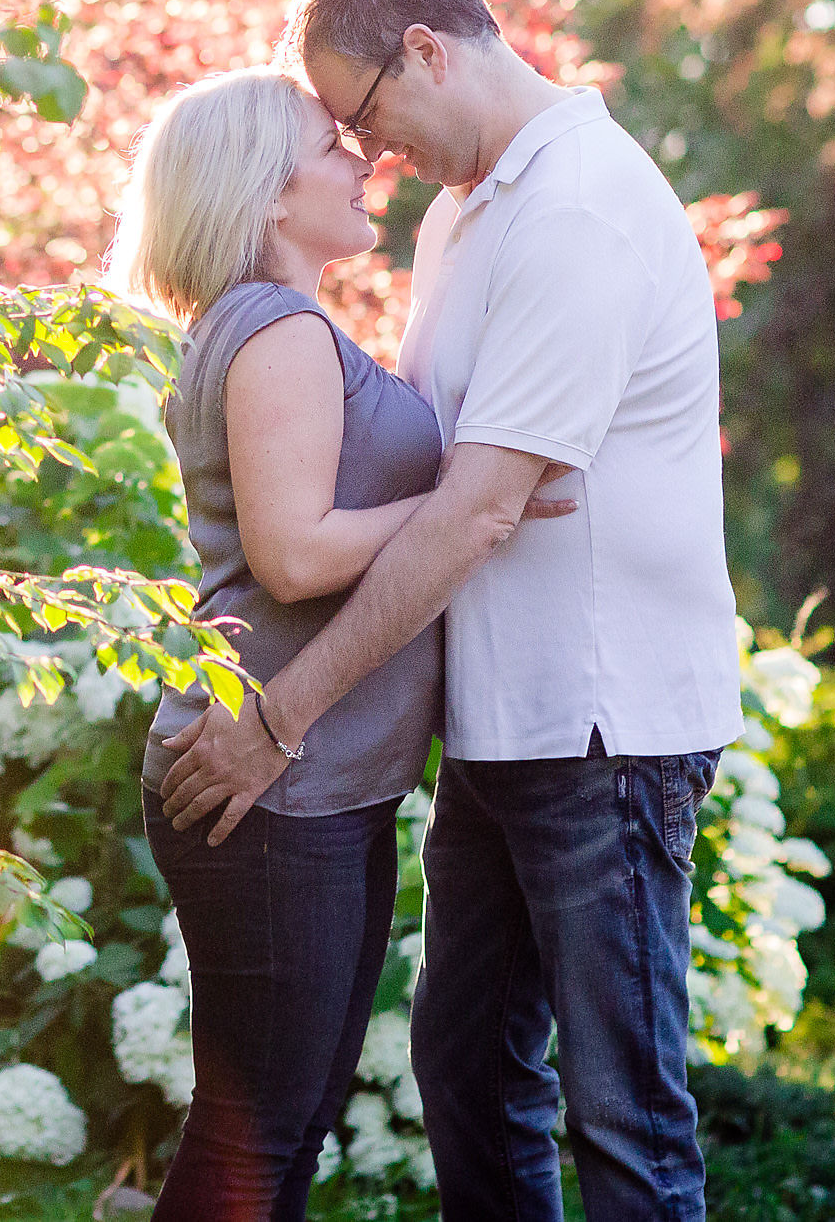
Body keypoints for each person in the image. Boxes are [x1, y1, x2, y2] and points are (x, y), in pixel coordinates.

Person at [155, 0, 740, 1222]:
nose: (372, 153)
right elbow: (438, 482)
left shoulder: (576, 207)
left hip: (605, 725)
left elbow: (478, 515)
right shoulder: (475, 207)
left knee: (624, 1118)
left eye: (366, 113)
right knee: (468, 1069)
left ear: (425, 49)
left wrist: (280, 721)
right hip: (500, 724)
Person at [106, 66, 571, 1222]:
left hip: (308, 782)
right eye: (333, 145)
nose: (365, 156)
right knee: (257, 1128)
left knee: (285, 1120)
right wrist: (475, 500)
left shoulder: (275, 324)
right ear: (268, 194)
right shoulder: (277, 328)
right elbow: (296, 556)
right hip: (264, 784)